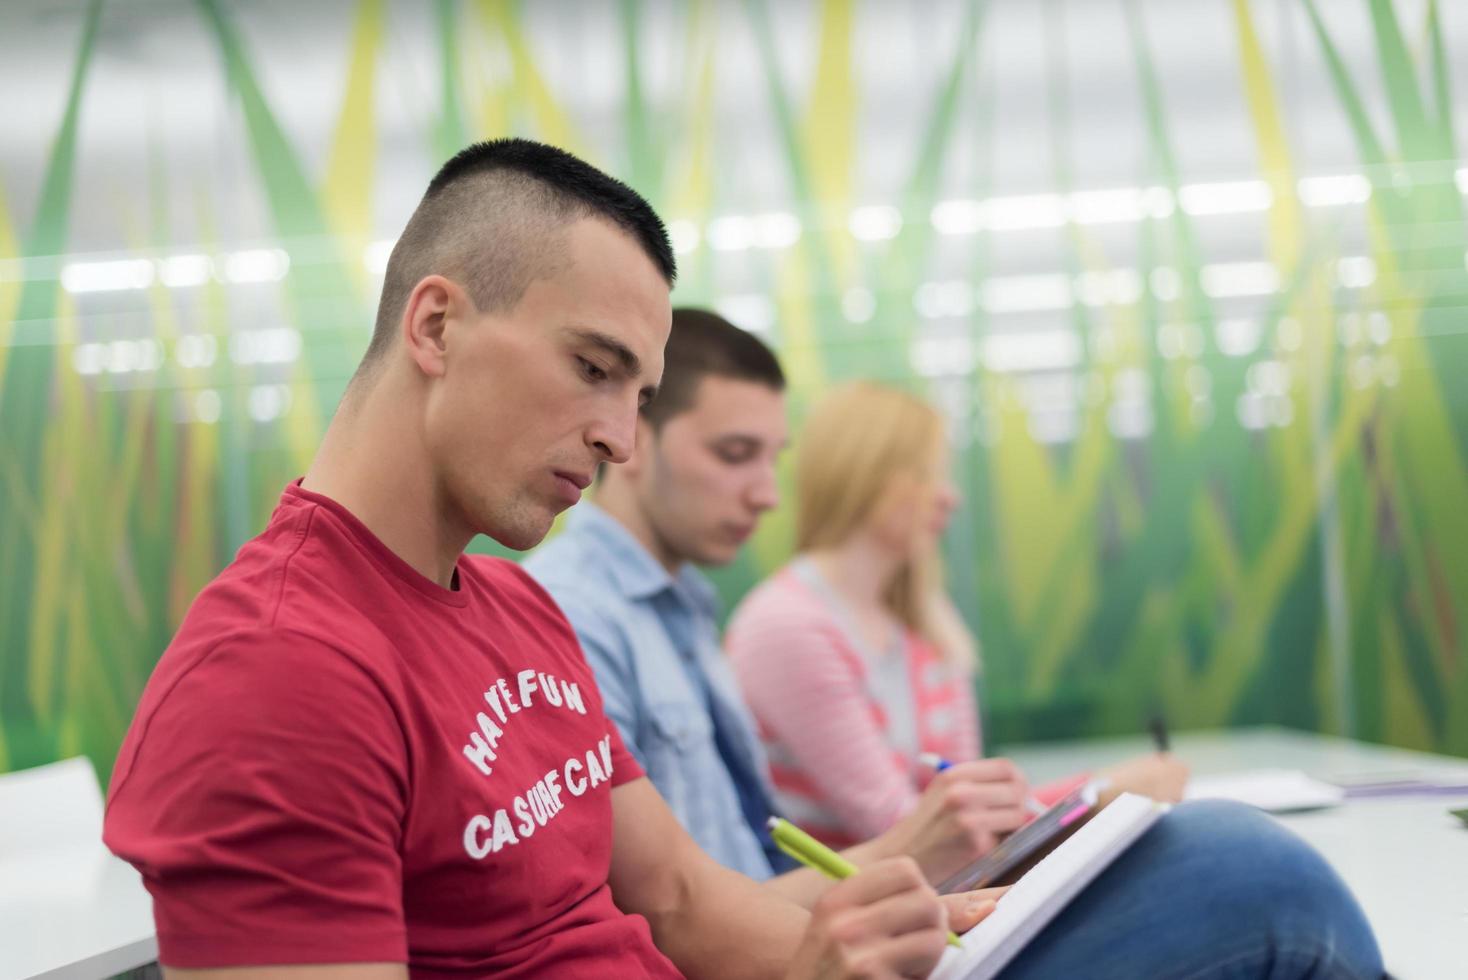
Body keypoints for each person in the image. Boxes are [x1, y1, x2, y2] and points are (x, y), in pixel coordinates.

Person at [102, 139, 973, 980]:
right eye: (593, 367)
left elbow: (681, 901)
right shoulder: (273, 675)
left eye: (638, 397)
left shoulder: (519, 607)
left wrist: (939, 936)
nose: (620, 441)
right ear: (436, 326)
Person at [528, 319, 1384, 977]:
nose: (763, 492)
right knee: (1253, 871)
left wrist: (933, 873)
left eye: (771, 459)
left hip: (839, 933)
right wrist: (928, 853)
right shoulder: (586, 617)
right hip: (818, 949)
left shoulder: (686, 610)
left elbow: (721, 886)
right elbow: (675, 914)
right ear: (633, 442)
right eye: (734, 454)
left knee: (1231, 860)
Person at [725, 380, 1186, 848]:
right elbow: (907, 833)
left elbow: (973, 817)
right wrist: (1097, 795)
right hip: (865, 909)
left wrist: (1101, 795)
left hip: (947, 896)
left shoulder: (925, 618)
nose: (948, 497)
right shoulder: (785, 626)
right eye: (927, 475)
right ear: (864, 473)